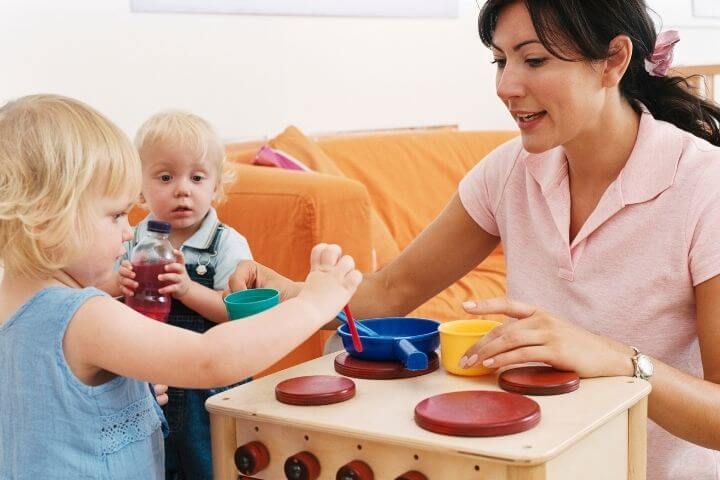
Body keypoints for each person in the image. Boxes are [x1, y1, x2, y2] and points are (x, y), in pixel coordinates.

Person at [227, 1, 720, 478]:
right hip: (526, 466)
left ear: (613, 60)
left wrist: (622, 362)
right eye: (500, 61)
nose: (506, 86)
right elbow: (389, 293)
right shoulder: (509, 172)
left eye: (533, 59)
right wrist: (287, 291)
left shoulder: (704, 185)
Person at [0, 94, 362, 479]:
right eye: (116, 215)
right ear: (44, 220)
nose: (128, 232)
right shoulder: (83, 314)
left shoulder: (13, 302)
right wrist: (312, 303)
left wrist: (129, 399)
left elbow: (48, 403)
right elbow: (211, 358)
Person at [105, 110, 253, 480]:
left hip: (210, 387)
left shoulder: (227, 244)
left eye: (197, 177)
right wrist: (117, 285)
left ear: (216, 186)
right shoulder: (131, 239)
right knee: (154, 463)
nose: (182, 189)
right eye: (166, 177)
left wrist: (187, 289)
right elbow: (107, 307)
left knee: (210, 465)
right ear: (139, 188)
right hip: (150, 381)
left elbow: (236, 313)